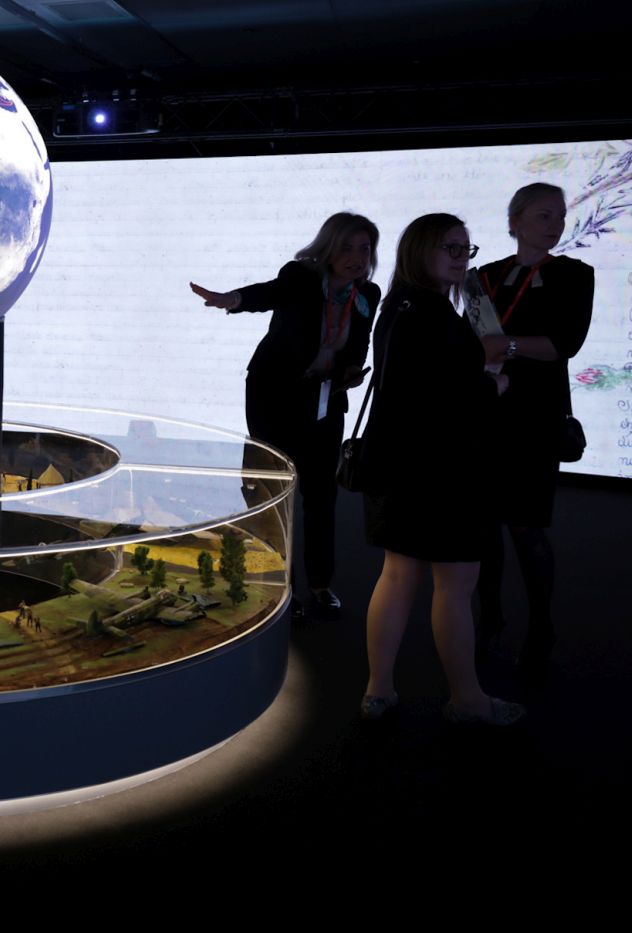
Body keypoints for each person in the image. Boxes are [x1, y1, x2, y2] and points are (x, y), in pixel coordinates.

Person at [358, 213, 523, 725]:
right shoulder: (432, 313)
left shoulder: (397, 305)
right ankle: (468, 700)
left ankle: (378, 690)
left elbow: (410, 389)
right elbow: (442, 398)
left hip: (398, 468)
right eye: (449, 247)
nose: (460, 258)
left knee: (397, 575)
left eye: (465, 249)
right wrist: (491, 385)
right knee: (454, 585)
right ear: (420, 250)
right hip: (446, 472)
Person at [190, 212, 380, 618]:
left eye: (365, 249)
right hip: (274, 395)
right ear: (328, 248)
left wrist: (350, 371)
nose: (357, 257)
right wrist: (232, 300)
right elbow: (269, 294)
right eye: (347, 248)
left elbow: (359, 343)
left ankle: (321, 585)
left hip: (325, 398)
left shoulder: (368, 294)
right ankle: (281, 588)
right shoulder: (301, 277)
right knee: (272, 491)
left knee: (321, 495)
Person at [473, 183, 594, 682]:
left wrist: (505, 346)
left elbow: (564, 344)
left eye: (560, 216)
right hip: (485, 413)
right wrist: (499, 349)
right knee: (484, 529)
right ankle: (489, 622)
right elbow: (474, 341)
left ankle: (541, 627)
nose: (555, 225)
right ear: (515, 221)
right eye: (544, 215)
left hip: (537, 417)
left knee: (526, 527)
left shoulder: (574, 274)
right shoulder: (484, 275)